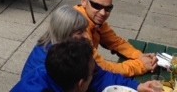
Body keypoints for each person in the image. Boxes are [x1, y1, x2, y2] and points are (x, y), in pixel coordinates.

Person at [12, 5, 161, 92]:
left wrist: (138, 86)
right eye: (80, 32)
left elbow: (99, 76)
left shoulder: (75, 55)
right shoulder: (49, 67)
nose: (86, 35)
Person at [75, 0, 158, 77]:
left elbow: (116, 42)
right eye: (96, 6)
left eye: (108, 8)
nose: (102, 13)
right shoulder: (78, 31)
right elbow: (101, 68)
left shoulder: (94, 20)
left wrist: (140, 56)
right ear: (84, 2)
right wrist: (141, 65)